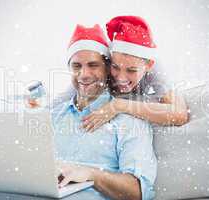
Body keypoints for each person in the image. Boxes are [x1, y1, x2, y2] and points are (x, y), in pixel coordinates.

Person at [51, 24, 157, 200]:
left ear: (108, 69)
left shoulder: (130, 121)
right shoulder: (52, 116)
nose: (84, 74)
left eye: (93, 65)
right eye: (77, 66)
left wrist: (91, 174)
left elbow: (138, 192)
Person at [81, 16, 189, 132]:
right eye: (115, 67)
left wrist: (118, 105)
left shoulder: (154, 67)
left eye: (131, 70)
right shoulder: (100, 62)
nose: (121, 78)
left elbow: (179, 113)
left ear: (149, 65)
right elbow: (65, 100)